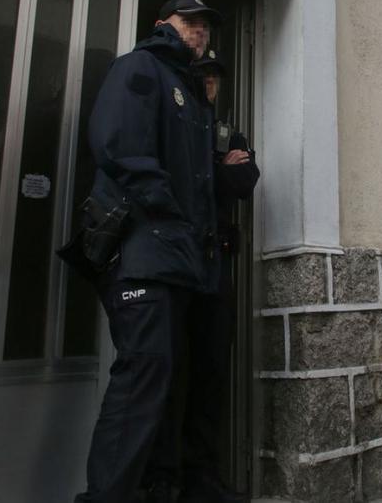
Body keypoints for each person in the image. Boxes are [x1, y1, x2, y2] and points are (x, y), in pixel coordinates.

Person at [75, 0, 231, 503]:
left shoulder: (190, 93)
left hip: (180, 258)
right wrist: (169, 214)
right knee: (145, 372)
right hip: (145, 249)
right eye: (190, 22)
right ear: (163, 23)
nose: (199, 31)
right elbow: (119, 145)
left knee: (170, 375)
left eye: (206, 26)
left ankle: (163, 487)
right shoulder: (141, 67)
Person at [143, 41, 260, 503]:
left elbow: (244, 181)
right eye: (202, 74)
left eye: (215, 76)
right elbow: (173, 179)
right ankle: (160, 477)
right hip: (174, 262)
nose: (209, 82)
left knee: (211, 371)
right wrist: (215, 169)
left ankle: (201, 478)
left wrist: (217, 166)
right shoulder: (175, 124)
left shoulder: (230, 133)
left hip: (216, 265)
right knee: (168, 369)